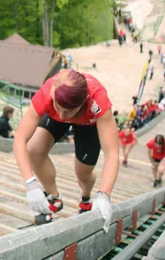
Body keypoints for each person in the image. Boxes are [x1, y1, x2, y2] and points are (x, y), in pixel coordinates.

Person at [12, 70, 118, 231]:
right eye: (57, 106)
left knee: (82, 172)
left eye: (67, 111)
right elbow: (20, 139)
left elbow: (112, 152)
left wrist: (104, 194)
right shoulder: (48, 93)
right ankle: (54, 197)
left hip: (87, 123)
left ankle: (86, 196)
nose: (62, 115)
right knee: (34, 149)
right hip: (53, 115)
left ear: (84, 101)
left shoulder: (98, 100)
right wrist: (30, 184)